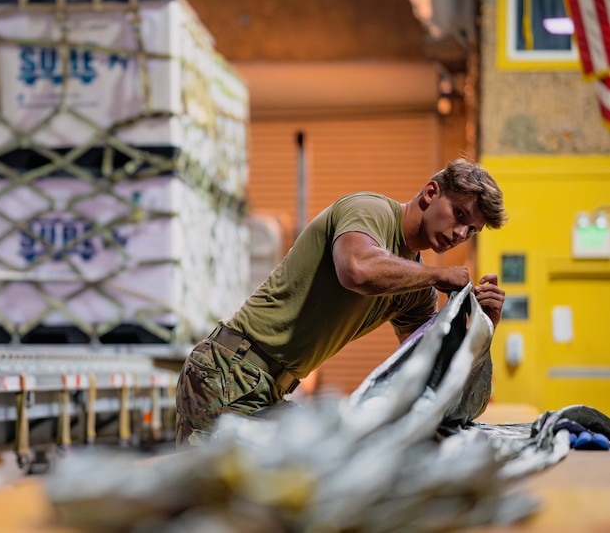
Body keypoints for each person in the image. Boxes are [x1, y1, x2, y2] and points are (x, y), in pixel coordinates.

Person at [175, 158, 508, 448]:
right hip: (229, 370)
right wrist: (438, 276)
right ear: (431, 193)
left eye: (472, 230)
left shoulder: (416, 290)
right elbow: (357, 270)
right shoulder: (370, 210)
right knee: (218, 505)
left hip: (267, 386)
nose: (461, 233)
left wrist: (482, 327)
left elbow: (427, 375)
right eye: (459, 214)